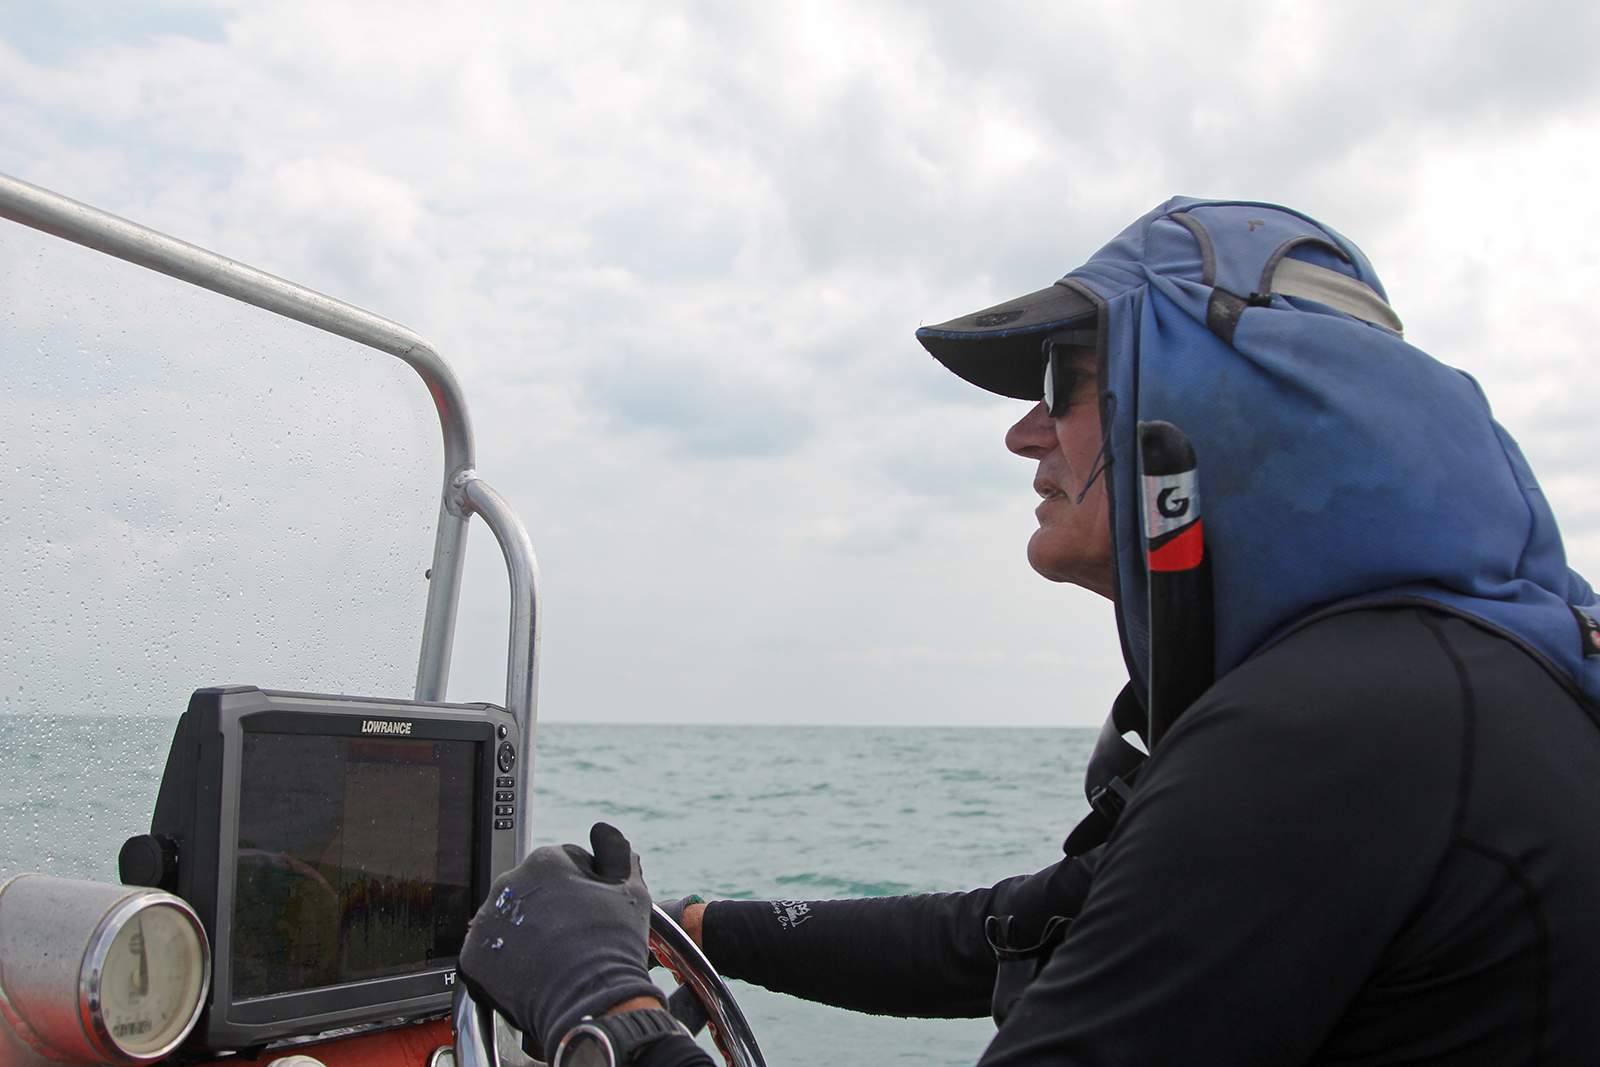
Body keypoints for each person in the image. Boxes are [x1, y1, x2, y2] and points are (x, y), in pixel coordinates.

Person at [460, 197, 1600, 1065]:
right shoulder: (1434, 685)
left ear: (1209, 404)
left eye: (1063, 379)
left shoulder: (1327, 738)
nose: (1023, 434)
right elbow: (1007, 928)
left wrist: (605, 1018)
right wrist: (683, 926)